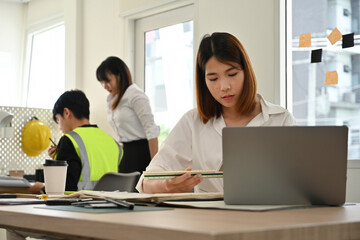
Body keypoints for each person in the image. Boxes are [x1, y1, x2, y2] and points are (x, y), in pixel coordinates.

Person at [136, 32, 295, 194]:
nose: (224, 86)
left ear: (246, 71)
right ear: (203, 81)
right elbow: (147, 181)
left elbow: (299, 183)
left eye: (232, 74)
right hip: (208, 217)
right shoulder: (193, 122)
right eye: (213, 79)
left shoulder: (280, 119)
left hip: (268, 215)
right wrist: (167, 186)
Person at [47, 89, 123, 191]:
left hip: (80, 204)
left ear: (66, 112)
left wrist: (42, 188)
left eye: (58, 119)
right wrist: (59, 158)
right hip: (114, 204)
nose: (60, 126)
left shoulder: (69, 140)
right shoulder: (113, 143)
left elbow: (64, 188)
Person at [96, 56, 160, 174]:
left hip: (142, 152)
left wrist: (155, 166)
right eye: (102, 82)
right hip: (127, 153)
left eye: (108, 81)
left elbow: (151, 130)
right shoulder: (112, 99)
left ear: (119, 76)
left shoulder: (135, 95)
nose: (105, 86)